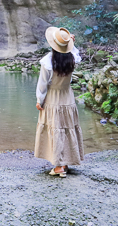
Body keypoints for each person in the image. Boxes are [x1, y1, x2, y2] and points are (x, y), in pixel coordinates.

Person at [34, 26, 84, 177]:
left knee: (56, 130)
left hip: (53, 98)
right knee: (67, 128)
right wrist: (72, 44)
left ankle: (58, 166)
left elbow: (42, 84)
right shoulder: (72, 58)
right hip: (67, 97)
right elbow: (76, 52)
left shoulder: (48, 61)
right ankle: (66, 162)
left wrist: (39, 100)